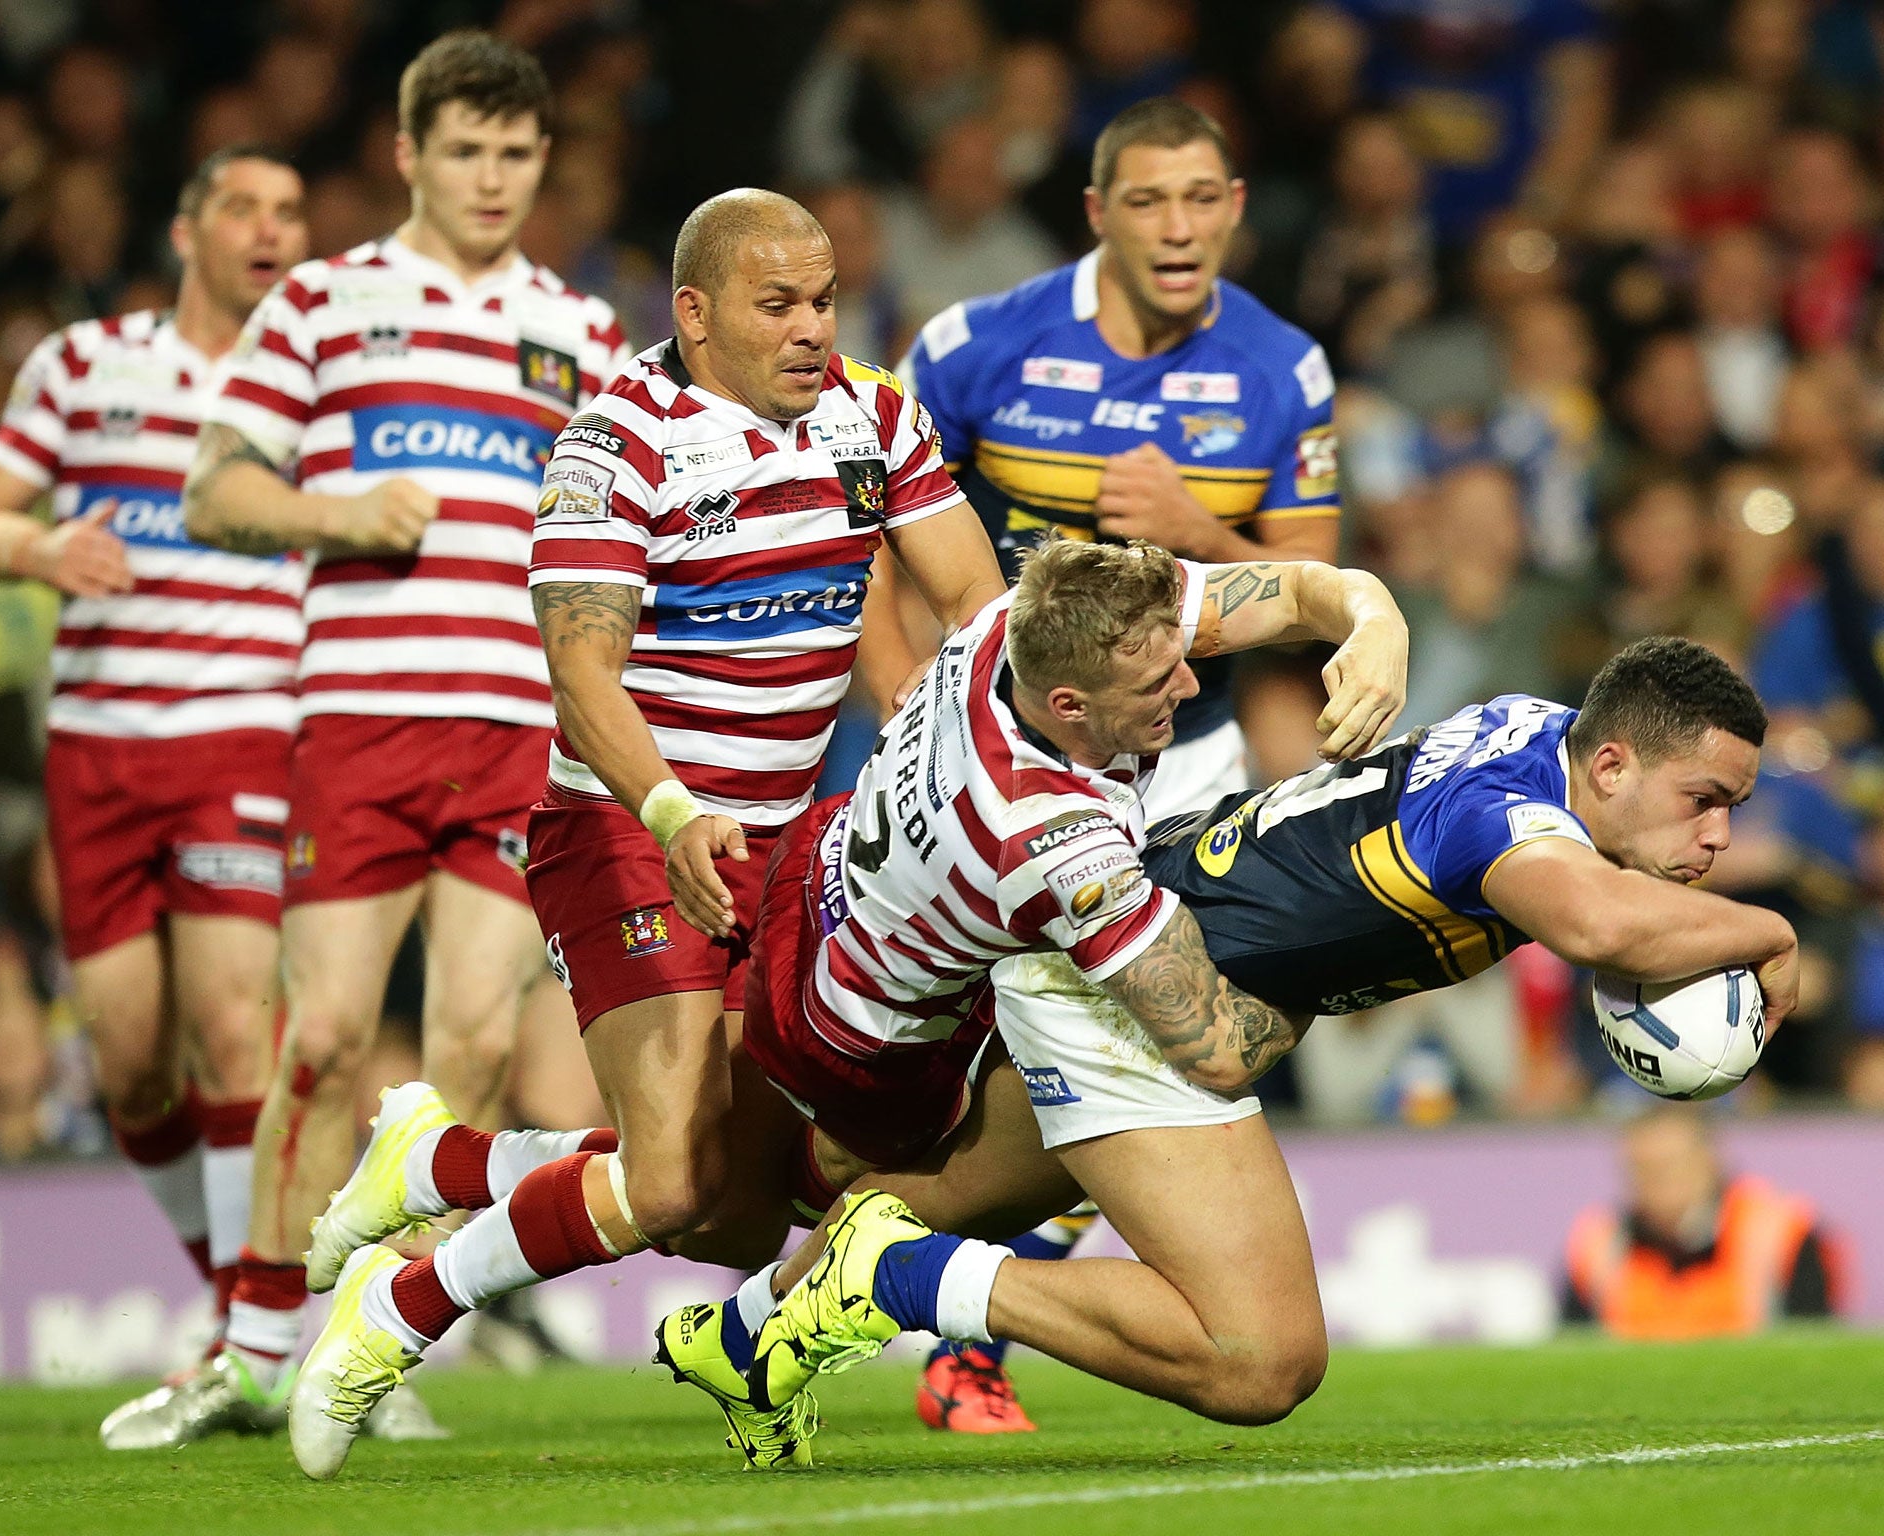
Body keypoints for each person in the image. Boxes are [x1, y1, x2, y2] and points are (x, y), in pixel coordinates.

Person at [660, 636, 1800, 1464]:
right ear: (1607, 768)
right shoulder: (1507, 816)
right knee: (1257, 1361)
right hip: (1153, 983)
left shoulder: (1537, 727)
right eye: (1702, 800)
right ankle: (884, 1281)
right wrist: (1770, 931)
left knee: (950, 1194)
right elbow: (1594, 925)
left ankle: (747, 1338)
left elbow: (1591, 908)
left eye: (1730, 810)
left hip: (1124, 933)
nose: (1717, 836)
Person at [284, 187, 1008, 1481]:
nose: (810, 328)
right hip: (627, 828)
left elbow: (974, 600)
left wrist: (998, 747)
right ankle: (400, 1308)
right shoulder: (614, 442)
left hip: (797, 847)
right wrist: (674, 812)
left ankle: (440, 1156)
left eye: (823, 299)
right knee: (669, 1183)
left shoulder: (873, 414)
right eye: (775, 304)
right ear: (695, 312)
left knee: (744, 1216)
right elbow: (583, 674)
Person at [641, 534, 1407, 1462]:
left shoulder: (1031, 619)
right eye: (1159, 684)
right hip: (870, 1046)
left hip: (829, 886)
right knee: (755, 1201)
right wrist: (1365, 945)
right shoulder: (1050, 837)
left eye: (1177, 661)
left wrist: (1375, 617)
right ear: (1069, 706)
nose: (1193, 689)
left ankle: (740, 1339)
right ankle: (481, 1185)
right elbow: (1215, 1046)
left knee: (996, 1188)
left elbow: (1297, 593)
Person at [175, 31, 627, 1445]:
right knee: (316, 1041)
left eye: (515, 153)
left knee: (474, 1049)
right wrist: (335, 517)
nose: (491, 179)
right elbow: (212, 489)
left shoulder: (587, 335)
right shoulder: (323, 299)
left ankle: (364, 1356)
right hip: (362, 719)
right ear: (407, 153)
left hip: (518, 732)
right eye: (464, 150)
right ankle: (252, 1347)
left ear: (541, 161)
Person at [897, 94, 1347, 1428]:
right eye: (1147, 201)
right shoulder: (974, 346)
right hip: (985, 766)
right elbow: (877, 534)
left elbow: (1310, 588)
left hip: (1181, 769)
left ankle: (949, 1333)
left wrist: (1194, 523)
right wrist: (897, 706)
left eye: (1201, 199)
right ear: (1097, 214)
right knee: (931, 1074)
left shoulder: (1286, 371)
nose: (1178, 227)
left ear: (1236, 207)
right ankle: (817, 1280)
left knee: (1137, 1065)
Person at [0, 144, 310, 1445]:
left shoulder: (307, 386)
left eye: (289, 213)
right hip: (96, 752)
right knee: (132, 1063)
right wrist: (39, 544)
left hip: (241, 743)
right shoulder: (84, 365)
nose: (271, 232)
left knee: (229, 1024)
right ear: (185, 226)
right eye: (244, 208)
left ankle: (248, 1334)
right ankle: (243, 1311)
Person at [1563, 1103, 1848, 1336]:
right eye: (1644, 1169)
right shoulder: (1600, 1243)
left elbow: (1814, 1336)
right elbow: (1574, 1344)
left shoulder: (1779, 1230)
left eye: (1673, 1165)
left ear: (1711, 1160)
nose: (1660, 1181)